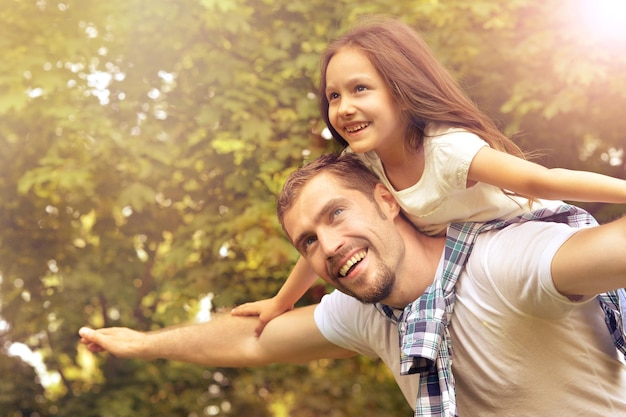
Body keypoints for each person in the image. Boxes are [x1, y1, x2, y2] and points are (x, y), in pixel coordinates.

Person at [80, 153, 626, 417]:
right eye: (308, 241)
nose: (328, 245)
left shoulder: (505, 262)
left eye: (336, 213)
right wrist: (143, 343)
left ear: (388, 201)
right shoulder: (369, 312)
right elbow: (251, 339)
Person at [232, 16, 626, 335]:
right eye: (334, 96)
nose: (344, 108)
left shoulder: (447, 150)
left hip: (533, 240)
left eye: (359, 89)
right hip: (474, 263)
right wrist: (281, 302)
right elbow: (325, 238)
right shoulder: (362, 164)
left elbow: (542, 181)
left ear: (401, 92)